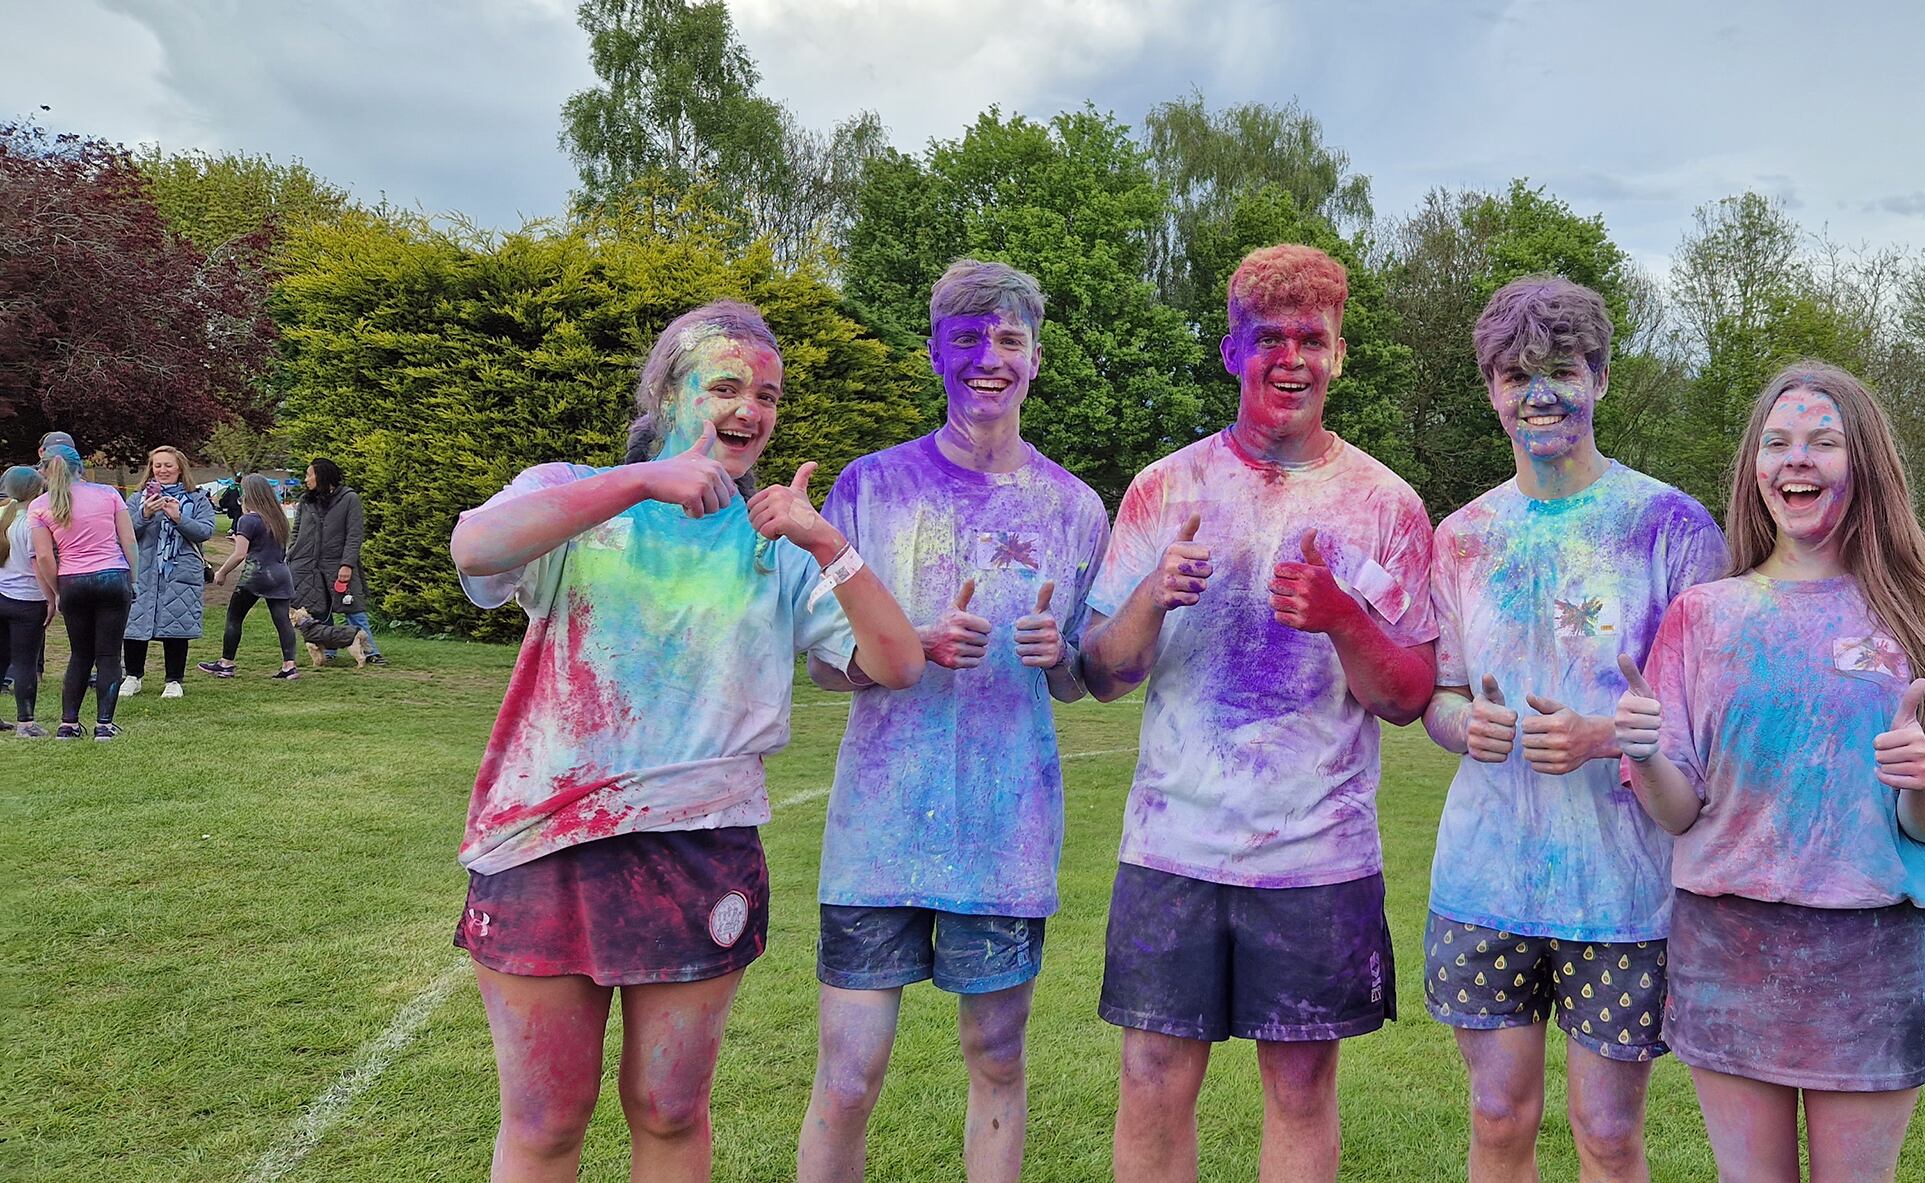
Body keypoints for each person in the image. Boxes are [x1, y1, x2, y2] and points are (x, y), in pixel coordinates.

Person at [447, 300, 923, 1183]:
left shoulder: (771, 548)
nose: (751, 409)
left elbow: (898, 661)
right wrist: (635, 482)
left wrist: (825, 539)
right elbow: (475, 547)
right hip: (543, 842)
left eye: (769, 395)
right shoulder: (574, 493)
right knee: (547, 1120)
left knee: (670, 1110)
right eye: (727, 386)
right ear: (668, 392)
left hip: (702, 849)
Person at [1082, 243, 1438, 1183]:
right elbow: (1104, 671)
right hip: (1172, 846)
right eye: (1268, 337)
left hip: (1318, 852)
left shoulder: (1386, 504)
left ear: (1339, 352)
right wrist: (1152, 595)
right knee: (1153, 1075)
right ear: (1233, 349)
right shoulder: (1165, 488)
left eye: (1311, 338)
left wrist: (1341, 618)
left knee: (1301, 1088)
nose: (1291, 357)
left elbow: (1406, 696)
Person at [1613, 362, 1925, 1182]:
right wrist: (1645, 754)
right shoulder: (1703, 617)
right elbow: (1681, 814)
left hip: (1871, 954)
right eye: (1778, 442)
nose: (1798, 458)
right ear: (1754, 469)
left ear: (1864, 465)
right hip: (1727, 951)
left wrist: (1921, 779)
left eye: (1824, 441)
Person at [796, 260, 1109, 1183]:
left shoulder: (1075, 508)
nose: (988, 358)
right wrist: (904, 647)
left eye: (1008, 340)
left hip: (1006, 836)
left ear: (1035, 359)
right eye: (968, 338)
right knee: (848, 1077)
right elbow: (819, 661)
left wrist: (1064, 655)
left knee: (998, 1062)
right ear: (935, 350)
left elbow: (1086, 677)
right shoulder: (869, 488)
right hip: (876, 833)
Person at [1419, 276, 1726, 1182]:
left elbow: (1709, 723)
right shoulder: (1463, 535)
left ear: (1601, 379)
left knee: (1606, 1134)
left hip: (1623, 892)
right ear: (1491, 390)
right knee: (1497, 1116)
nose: (1539, 393)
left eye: (1562, 369)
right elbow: (1437, 697)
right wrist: (1462, 722)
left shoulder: (1671, 527)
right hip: (1483, 880)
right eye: (1517, 375)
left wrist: (1603, 734)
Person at [30, 441, 141, 740]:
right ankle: (104, 723)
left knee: (79, 653)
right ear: (80, 466)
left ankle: (68, 723)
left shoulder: (40, 506)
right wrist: (134, 580)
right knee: (107, 654)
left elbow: (43, 557)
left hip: (72, 580)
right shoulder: (108, 494)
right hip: (112, 575)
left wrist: (56, 591)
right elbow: (128, 541)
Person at [121, 445, 218, 700]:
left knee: (176, 624)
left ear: (180, 468)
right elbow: (124, 532)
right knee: (135, 623)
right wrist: (145, 514)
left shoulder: (197, 498)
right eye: (157, 465)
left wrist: (178, 518)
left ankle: (174, 680)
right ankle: (133, 676)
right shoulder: (137, 498)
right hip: (143, 571)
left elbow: (205, 531)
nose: (162, 470)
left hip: (179, 571)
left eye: (168, 465)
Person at [202, 475, 301, 680]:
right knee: (282, 621)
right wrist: (241, 541)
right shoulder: (278, 518)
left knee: (235, 617)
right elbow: (266, 546)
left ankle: (226, 663)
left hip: (256, 575)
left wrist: (221, 573)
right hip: (281, 574)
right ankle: (289, 666)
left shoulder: (248, 520)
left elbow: (240, 554)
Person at [288, 457, 380, 666]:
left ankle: (371, 651)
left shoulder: (349, 499)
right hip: (308, 565)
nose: (306, 479)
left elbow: (354, 535)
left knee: (353, 608)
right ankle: (328, 651)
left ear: (322, 476)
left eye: (309, 474)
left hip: (337, 563)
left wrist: (347, 564)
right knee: (319, 609)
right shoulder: (306, 500)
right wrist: (292, 553)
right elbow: (297, 531)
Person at [2, 465, 50, 737]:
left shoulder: (2, 514)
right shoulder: (33, 521)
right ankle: (25, 722)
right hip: (27, 598)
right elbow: (39, 563)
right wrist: (52, 596)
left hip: (1, 594)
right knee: (25, 662)